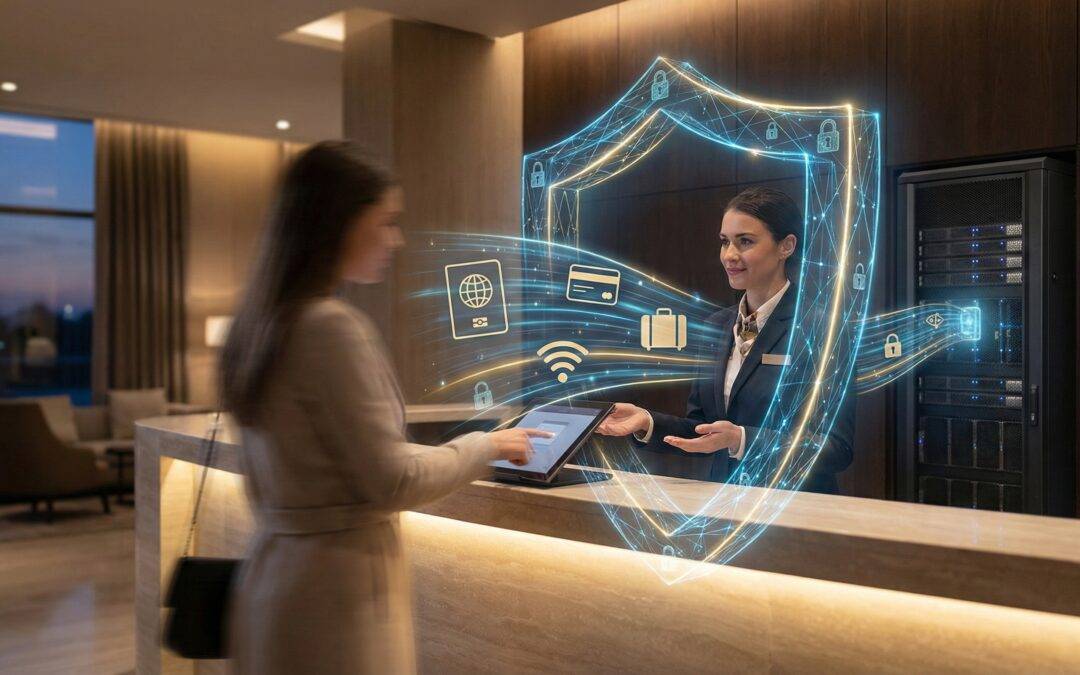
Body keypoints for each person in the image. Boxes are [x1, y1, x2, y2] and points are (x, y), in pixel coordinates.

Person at [219, 141, 552, 674]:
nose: (396, 239)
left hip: (276, 587)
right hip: (335, 602)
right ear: (340, 223)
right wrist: (485, 446)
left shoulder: (260, 324)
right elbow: (391, 480)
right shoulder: (328, 327)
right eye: (386, 222)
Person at [596, 187, 854, 494]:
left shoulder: (821, 328)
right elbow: (703, 428)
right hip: (724, 507)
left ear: (786, 246)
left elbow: (835, 447)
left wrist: (741, 439)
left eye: (745, 241)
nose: (729, 255)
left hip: (796, 509)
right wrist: (647, 422)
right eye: (724, 242)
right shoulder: (717, 326)